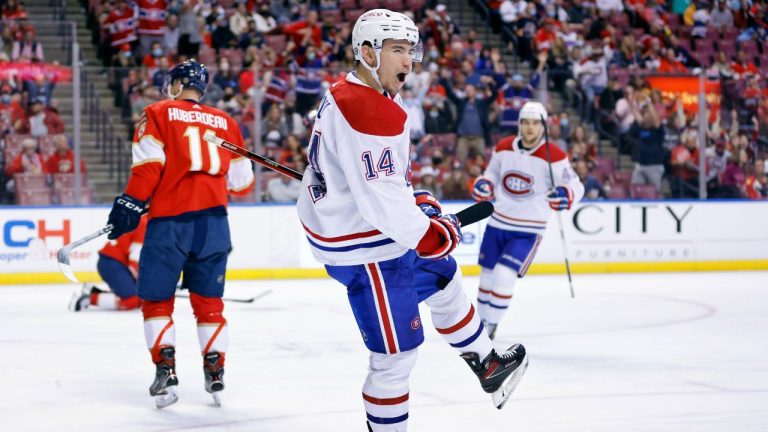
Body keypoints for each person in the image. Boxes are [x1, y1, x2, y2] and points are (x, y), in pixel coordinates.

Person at [296, 10, 528, 431]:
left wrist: (414, 200)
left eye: (411, 50)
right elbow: (380, 201)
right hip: (367, 249)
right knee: (395, 357)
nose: (409, 61)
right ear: (367, 52)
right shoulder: (368, 110)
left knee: (443, 277)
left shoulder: (354, 92)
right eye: (397, 50)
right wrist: (432, 233)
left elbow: (374, 180)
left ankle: (488, 363)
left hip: (363, 229)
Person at [104, 59, 254, 409]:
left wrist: (131, 202)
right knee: (210, 304)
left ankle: (166, 373)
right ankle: (215, 374)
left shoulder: (157, 112)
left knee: (157, 301)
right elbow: (243, 184)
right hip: (215, 227)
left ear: (175, 85)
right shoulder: (227, 122)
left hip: (171, 223)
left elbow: (148, 168)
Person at [471, 101, 585, 339]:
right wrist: (486, 183)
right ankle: (480, 326)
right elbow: (491, 173)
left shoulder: (554, 155)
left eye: (535, 122)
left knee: (504, 274)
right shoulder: (503, 147)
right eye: (525, 122)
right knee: (487, 276)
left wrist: (566, 193)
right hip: (498, 221)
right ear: (520, 124)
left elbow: (574, 184)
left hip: (529, 228)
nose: (530, 127)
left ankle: (490, 326)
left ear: (543, 126)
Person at [69, 216, 147, 312]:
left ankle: (94, 292)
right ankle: (87, 299)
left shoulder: (141, 219)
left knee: (140, 297)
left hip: (111, 262)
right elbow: (134, 262)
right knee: (133, 300)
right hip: (113, 264)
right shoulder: (145, 223)